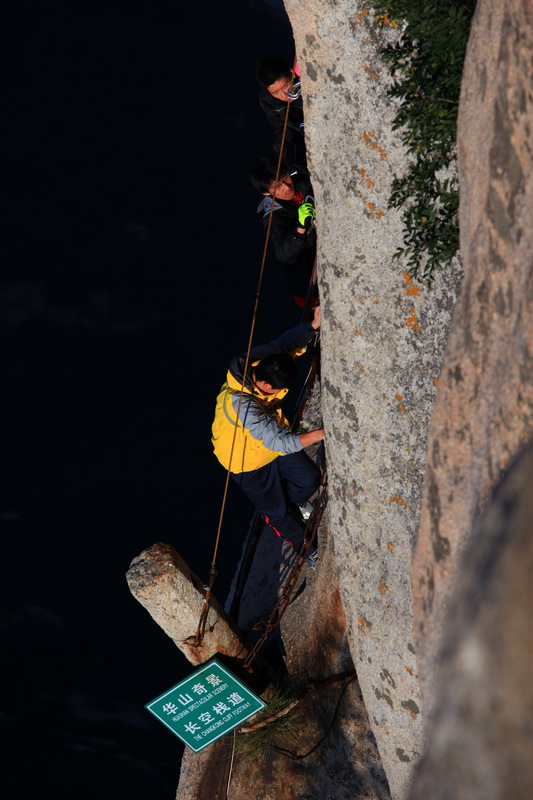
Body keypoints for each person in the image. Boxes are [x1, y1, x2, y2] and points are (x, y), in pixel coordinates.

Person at [211, 306, 324, 568]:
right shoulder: (242, 405)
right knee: (278, 513)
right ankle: (308, 550)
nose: (281, 392)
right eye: (278, 390)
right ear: (263, 385)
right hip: (246, 464)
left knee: (310, 478)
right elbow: (278, 442)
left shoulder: (261, 361)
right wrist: (322, 434)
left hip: (268, 444)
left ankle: (294, 504)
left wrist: (312, 326)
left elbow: (285, 344)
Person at [250, 155, 317, 309]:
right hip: (308, 286)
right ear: (266, 193)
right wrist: (300, 227)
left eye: (285, 177)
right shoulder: (274, 216)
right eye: (277, 187)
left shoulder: (301, 177)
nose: (287, 187)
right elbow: (283, 253)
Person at [256, 55, 307, 171]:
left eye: (285, 86)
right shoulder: (268, 100)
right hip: (296, 134)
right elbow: (278, 131)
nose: (284, 95)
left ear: (292, 73)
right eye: (275, 93)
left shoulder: (306, 83)